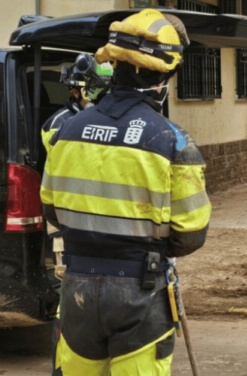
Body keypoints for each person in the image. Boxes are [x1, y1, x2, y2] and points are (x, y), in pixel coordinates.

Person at [41, 9, 211, 376]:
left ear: (115, 65)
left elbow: (53, 212)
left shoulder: (66, 132)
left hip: (76, 289)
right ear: (162, 75)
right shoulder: (173, 141)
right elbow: (191, 234)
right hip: (141, 291)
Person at [42, 53, 113, 376]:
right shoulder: (60, 125)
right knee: (70, 302)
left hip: (102, 220)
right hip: (69, 224)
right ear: (80, 90)